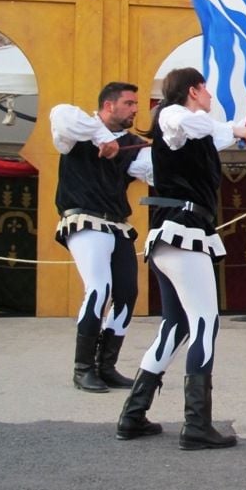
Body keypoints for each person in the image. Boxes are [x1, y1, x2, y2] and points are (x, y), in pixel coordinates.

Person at [115, 60, 246, 449]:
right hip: (182, 234)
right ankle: (196, 425)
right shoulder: (175, 119)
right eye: (205, 90)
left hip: (177, 236)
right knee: (205, 322)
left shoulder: (202, 132)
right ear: (192, 91)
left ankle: (133, 415)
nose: (209, 96)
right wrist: (224, 127)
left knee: (176, 326)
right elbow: (174, 121)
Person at [51, 83, 153, 393]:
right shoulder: (78, 129)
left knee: (126, 294)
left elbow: (154, 171)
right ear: (109, 106)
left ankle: (105, 366)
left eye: (136, 104)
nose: (135, 109)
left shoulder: (135, 144)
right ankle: (83, 368)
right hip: (84, 219)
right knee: (98, 289)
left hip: (117, 225)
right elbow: (59, 114)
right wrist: (101, 136)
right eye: (129, 103)